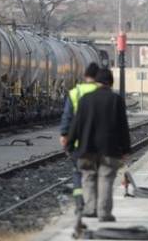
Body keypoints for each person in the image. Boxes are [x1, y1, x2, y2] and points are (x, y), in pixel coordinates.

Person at [66, 68, 131, 222]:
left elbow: (76, 124)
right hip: (109, 149)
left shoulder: (85, 99)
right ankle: (104, 213)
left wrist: (69, 145)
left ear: (96, 83)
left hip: (86, 148)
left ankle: (91, 208)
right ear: (111, 84)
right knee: (106, 179)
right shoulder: (116, 100)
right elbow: (123, 127)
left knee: (88, 177)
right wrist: (126, 148)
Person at [60, 62, 100, 215]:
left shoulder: (75, 93)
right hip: (97, 143)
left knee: (78, 172)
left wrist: (64, 136)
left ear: (85, 76)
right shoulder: (101, 92)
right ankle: (93, 203)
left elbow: (67, 117)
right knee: (94, 173)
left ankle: (79, 203)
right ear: (97, 77)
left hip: (78, 143)